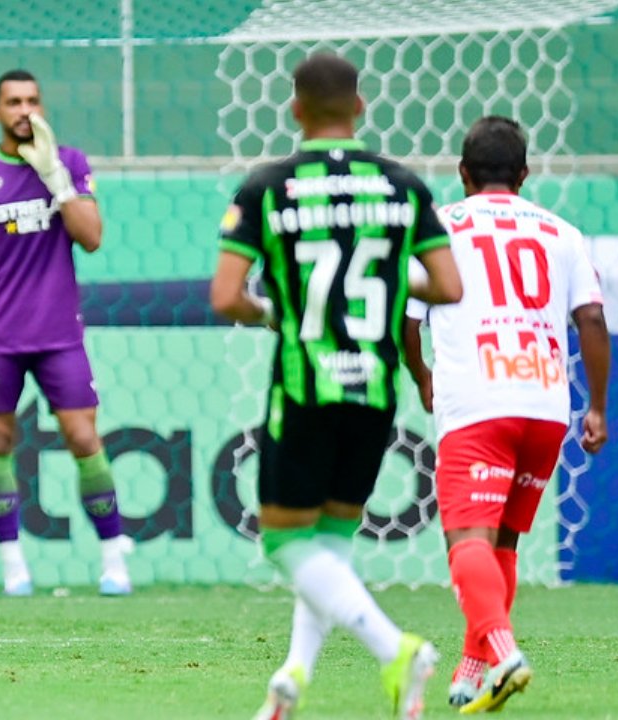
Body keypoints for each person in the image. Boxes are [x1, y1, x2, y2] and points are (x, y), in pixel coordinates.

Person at [210, 53, 463, 720]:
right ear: (361, 106)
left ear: (295, 109)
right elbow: (447, 286)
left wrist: (273, 312)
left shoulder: (268, 186)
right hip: (376, 389)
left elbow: (226, 296)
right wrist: (382, 281)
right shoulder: (402, 186)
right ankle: (292, 677)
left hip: (305, 385)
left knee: (283, 540)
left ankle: (396, 648)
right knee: (329, 542)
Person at [402, 116, 610, 713]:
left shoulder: (438, 227)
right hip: (546, 406)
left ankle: (503, 651)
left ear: (463, 174)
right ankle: (472, 670)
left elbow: (407, 320)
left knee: (466, 537)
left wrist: (423, 376)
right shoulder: (562, 233)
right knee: (505, 543)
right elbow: (591, 321)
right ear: (524, 174)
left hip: (477, 401)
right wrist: (596, 406)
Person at [0, 69, 132, 597]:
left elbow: (91, 238)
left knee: (83, 438)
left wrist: (56, 178)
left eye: (32, 101)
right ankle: (13, 566)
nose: (24, 110)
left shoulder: (68, 162)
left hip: (59, 334)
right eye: (13, 102)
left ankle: (115, 560)